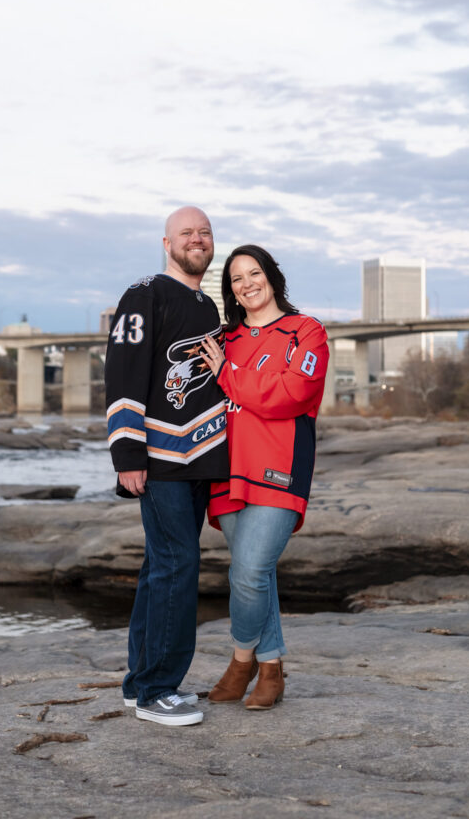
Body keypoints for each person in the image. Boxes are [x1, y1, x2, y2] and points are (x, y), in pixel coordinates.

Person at [104, 206, 228, 727]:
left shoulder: (208, 306)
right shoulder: (144, 293)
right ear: (166, 243)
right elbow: (123, 372)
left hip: (199, 459)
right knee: (177, 566)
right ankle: (159, 690)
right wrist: (127, 454)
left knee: (160, 570)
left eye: (204, 233)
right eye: (186, 233)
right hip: (160, 461)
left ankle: (139, 684)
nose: (196, 239)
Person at [199, 244, 329, 710]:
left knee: (249, 571)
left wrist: (229, 376)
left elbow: (291, 394)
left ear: (271, 276)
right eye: (236, 278)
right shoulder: (224, 339)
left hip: (280, 469)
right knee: (256, 575)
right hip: (227, 472)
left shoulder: (306, 331)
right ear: (229, 290)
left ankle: (240, 660)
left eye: (254, 273)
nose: (246, 284)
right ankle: (271, 669)